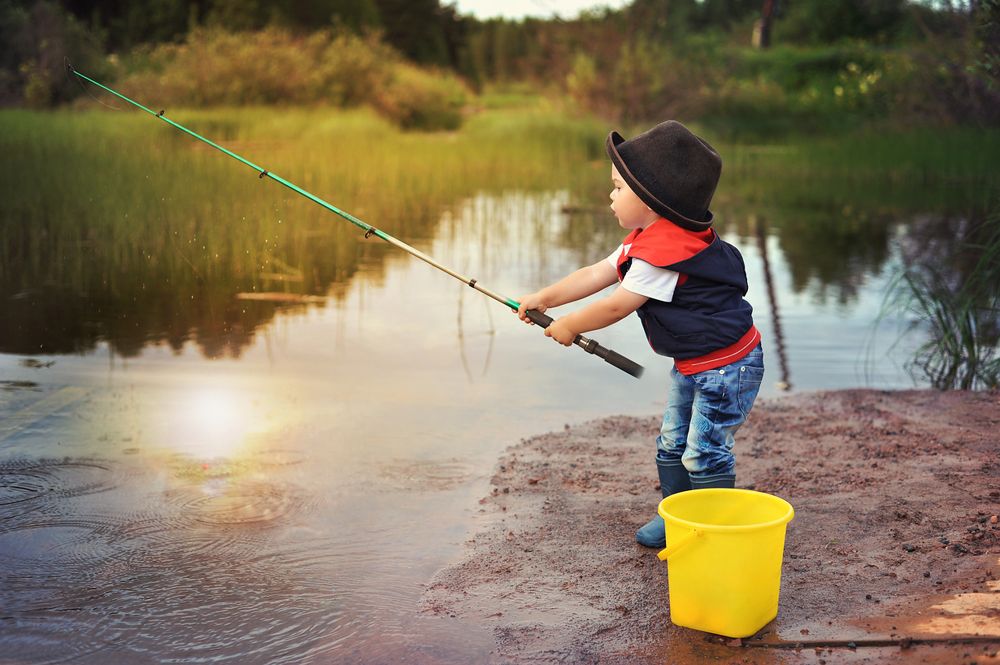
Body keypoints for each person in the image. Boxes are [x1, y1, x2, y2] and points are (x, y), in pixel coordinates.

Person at [516, 120, 765, 548]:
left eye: (616, 188)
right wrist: (548, 297)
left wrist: (571, 326)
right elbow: (598, 274)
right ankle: (675, 517)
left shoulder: (664, 257)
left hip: (728, 368)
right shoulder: (646, 239)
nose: (610, 196)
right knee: (671, 441)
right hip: (694, 363)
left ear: (651, 201)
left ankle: (709, 531)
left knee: (704, 451)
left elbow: (617, 304)